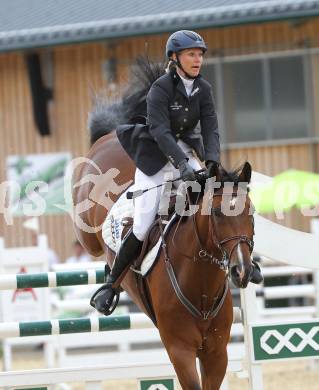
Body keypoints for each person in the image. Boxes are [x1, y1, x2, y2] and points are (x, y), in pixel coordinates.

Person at [91, 30, 262, 315]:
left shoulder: (203, 89)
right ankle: (111, 285)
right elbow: (159, 130)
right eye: (191, 54)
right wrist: (182, 167)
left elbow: (211, 128)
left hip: (186, 151)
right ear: (175, 58)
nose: (197, 60)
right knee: (143, 222)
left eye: (199, 55)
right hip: (155, 159)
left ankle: (247, 261)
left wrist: (211, 164)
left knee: (226, 203)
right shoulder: (160, 89)